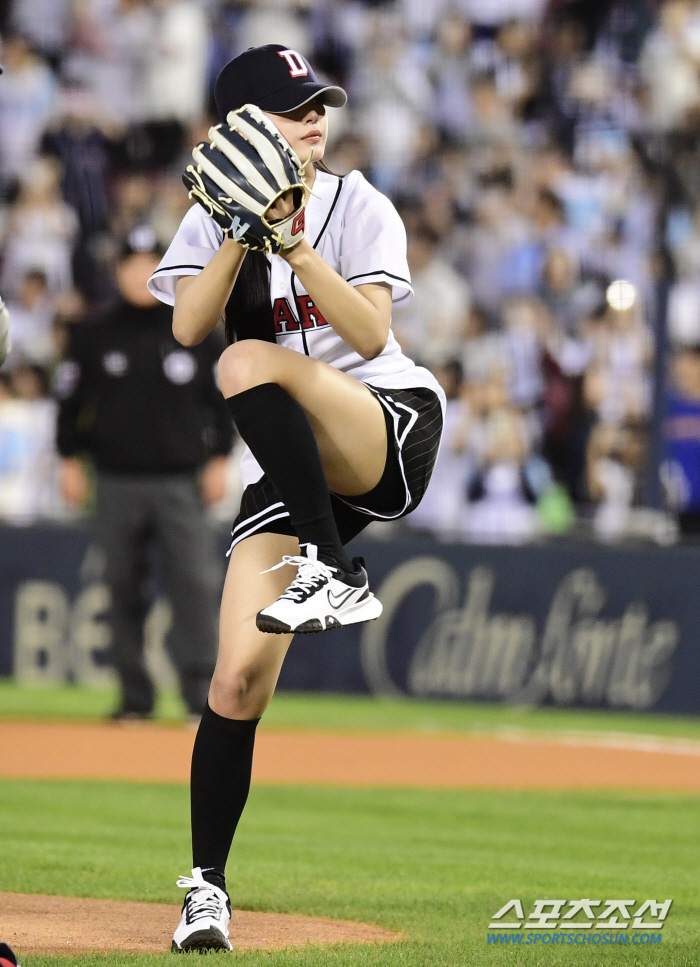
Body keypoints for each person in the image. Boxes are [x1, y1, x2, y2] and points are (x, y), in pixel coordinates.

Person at [147, 44, 445, 952]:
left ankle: (334, 568)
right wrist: (242, 228)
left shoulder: (359, 203)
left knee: (246, 361)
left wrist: (296, 244)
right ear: (241, 128)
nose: (314, 118)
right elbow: (187, 322)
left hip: (383, 425)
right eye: (291, 108)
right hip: (296, 476)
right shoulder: (213, 216)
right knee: (234, 680)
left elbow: (369, 327)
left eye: (317, 103)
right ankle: (207, 891)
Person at [56, 227, 233, 720]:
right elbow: (69, 405)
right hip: (113, 481)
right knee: (120, 587)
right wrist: (69, 460)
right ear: (118, 271)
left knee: (195, 586)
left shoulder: (194, 331)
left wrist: (220, 458)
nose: (140, 273)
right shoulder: (93, 334)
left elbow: (222, 404)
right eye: (131, 263)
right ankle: (135, 697)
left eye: (149, 263)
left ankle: (200, 692)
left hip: (181, 482)